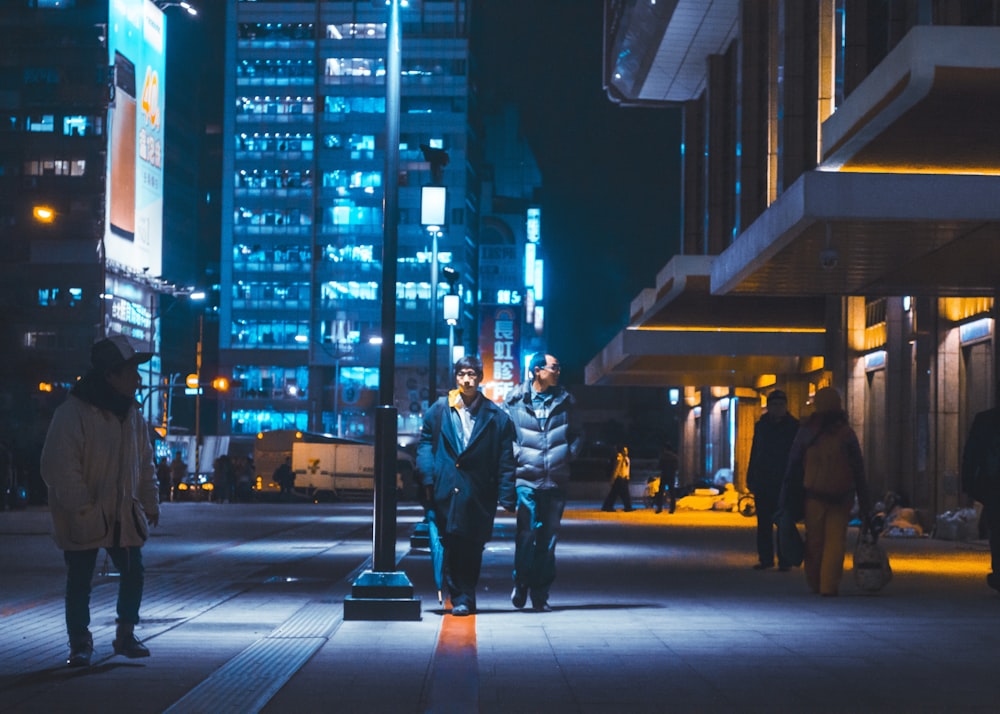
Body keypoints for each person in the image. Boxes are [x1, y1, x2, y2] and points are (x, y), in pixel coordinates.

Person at [40, 335, 160, 667]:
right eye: (131, 372)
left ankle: (125, 634)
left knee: (134, 572)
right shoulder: (74, 412)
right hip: (85, 512)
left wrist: (150, 502)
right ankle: (80, 642)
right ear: (110, 375)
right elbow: (58, 464)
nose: (137, 379)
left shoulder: (131, 413)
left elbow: (144, 462)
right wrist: (82, 506)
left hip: (122, 511)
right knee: (79, 580)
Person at [416, 355, 516, 616]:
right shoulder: (439, 410)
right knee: (450, 543)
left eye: (472, 374)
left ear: (480, 378)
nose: (467, 379)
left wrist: (507, 495)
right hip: (446, 489)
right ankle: (461, 597)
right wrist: (428, 477)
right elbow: (426, 443)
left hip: (479, 493)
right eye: (462, 374)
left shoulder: (496, 417)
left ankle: (465, 595)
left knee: (473, 546)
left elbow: (505, 458)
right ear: (455, 376)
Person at [503, 353, 582, 612]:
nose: (558, 371)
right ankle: (521, 582)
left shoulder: (566, 401)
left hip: (556, 481)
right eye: (554, 367)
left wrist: (568, 454)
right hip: (526, 478)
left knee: (548, 542)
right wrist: (519, 455)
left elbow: (578, 434)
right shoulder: (514, 401)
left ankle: (540, 594)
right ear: (538, 370)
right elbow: (506, 437)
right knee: (526, 536)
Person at [782, 386, 871, 596]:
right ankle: (828, 585)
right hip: (842, 497)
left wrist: (784, 496)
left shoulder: (807, 431)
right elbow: (858, 468)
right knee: (835, 542)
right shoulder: (846, 433)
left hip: (814, 496)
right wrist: (865, 501)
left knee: (814, 542)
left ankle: (814, 582)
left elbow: (792, 464)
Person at [746, 389, 800, 570]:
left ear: (786, 406)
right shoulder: (761, 426)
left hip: (785, 481)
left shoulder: (794, 427)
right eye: (774, 405)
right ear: (768, 407)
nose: (778, 408)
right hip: (764, 480)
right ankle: (766, 558)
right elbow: (755, 452)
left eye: (781, 405)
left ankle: (785, 560)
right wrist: (751, 476)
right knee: (764, 522)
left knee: (784, 522)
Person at [960, 388, 1000, 593]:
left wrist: (968, 483)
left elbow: (971, 454)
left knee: (997, 528)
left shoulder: (985, 420)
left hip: (993, 485)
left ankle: (999, 572)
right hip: (993, 485)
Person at [601, 446, 634, 512]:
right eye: (624, 450)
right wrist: (613, 478)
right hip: (619, 478)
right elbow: (616, 469)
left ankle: (607, 506)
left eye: (626, 450)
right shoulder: (619, 458)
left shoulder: (626, 459)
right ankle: (627, 507)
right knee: (620, 494)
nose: (626, 452)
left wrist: (627, 477)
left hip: (623, 478)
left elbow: (627, 469)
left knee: (616, 493)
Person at [654, 443, 679, 514]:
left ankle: (659, 508)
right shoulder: (675, 457)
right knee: (672, 493)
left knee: (661, 492)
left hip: (664, 475)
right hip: (671, 476)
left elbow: (659, 466)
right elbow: (676, 467)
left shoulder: (663, 456)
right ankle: (672, 509)